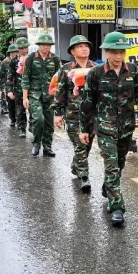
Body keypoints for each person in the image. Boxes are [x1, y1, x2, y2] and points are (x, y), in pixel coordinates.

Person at [79, 32, 138, 227]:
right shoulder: (96, 74)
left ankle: (108, 186)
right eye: (114, 52)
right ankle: (116, 207)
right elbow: (87, 104)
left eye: (122, 52)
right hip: (105, 128)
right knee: (111, 165)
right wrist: (84, 129)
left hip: (126, 127)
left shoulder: (134, 71)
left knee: (120, 163)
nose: (118, 57)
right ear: (106, 52)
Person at [54, 35, 96, 194]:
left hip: (91, 115)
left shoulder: (96, 68)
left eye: (86, 45)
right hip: (73, 114)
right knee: (80, 145)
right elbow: (60, 91)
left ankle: (75, 165)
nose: (84, 48)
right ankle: (84, 177)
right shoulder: (66, 69)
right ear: (72, 51)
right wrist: (58, 113)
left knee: (87, 145)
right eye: (80, 46)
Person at [22, 33, 60, 157]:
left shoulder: (54, 59)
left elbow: (58, 78)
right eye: (43, 45)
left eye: (48, 45)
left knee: (49, 122)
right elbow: (26, 77)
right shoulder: (31, 58)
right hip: (35, 94)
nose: (46, 47)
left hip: (49, 96)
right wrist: (25, 97)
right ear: (39, 45)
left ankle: (47, 146)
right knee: (38, 119)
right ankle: (36, 143)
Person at [12, 38, 30, 138]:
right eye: (21, 48)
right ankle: (22, 128)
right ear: (18, 49)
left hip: (31, 89)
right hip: (19, 89)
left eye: (25, 47)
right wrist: (9, 90)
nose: (24, 50)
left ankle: (33, 126)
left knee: (33, 109)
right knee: (20, 110)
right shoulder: (14, 61)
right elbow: (10, 76)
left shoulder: (33, 59)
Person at [0, 44, 18, 127]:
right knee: (11, 104)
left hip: (19, 86)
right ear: (9, 53)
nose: (14, 54)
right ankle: (13, 119)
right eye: (12, 52)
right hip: (8, 86)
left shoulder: (20, 61)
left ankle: (20, 121)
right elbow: (1, 76)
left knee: (19, 105)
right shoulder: (4, 62)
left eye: (15, 52)